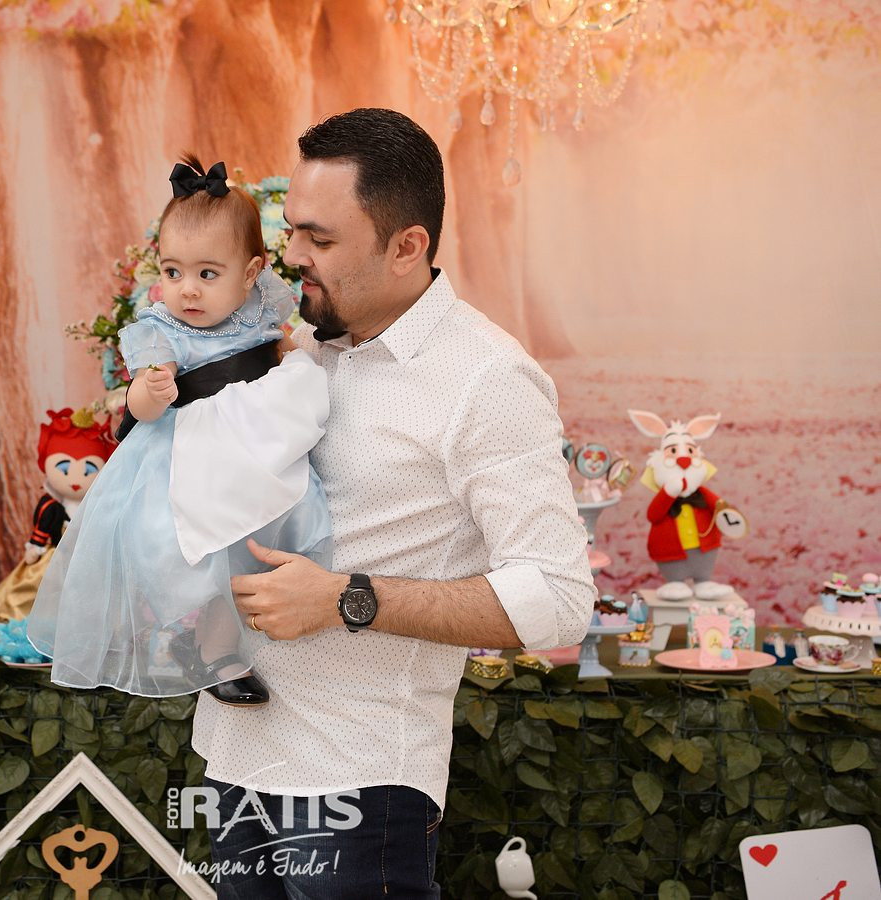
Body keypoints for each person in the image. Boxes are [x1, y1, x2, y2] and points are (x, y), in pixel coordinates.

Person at [190, 108, 596, 897]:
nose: (292, 255)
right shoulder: (302, 347)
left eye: (319, 238)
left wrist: (345, 599)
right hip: (233, 759)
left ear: (406, 246)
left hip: (359, 783)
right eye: (291, 229)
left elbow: (556, 598)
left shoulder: (487, 380)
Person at [27, 156, 332, 705]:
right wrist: (152, 390)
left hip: (250, 454)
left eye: (207, 274)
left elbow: (281, 348)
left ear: (250, 274)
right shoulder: (161, 329)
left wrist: (295, 365)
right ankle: (211, 651)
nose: (187, 290)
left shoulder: (259, 310)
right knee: (199, 560)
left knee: (254, 547)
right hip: (184, 463)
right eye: (172, 273)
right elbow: (138, 407)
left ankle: (229, 642)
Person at [0, 407, 116, 622]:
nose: (75, 480)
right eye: (64, 469)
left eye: (88, 471)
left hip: (89, 562)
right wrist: (35, 548)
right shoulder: (51, 507)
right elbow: (41, 530)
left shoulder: (98, 507)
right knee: (41, 594)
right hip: (56, 560)